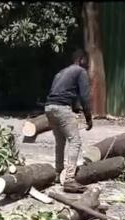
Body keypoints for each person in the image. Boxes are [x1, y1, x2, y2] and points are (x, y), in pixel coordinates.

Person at [45, 49, 93, 193]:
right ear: (81, 60)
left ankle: (58, 173)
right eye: (87, 61)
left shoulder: (60, 73)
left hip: (49, 107)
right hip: (61, 108)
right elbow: (85, 96)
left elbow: (61, 92)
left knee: (60, 142)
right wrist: (88, 118)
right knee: (75, 141)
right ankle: (70, 180)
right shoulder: (80, 71)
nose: (88, 65)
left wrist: (74, 109)